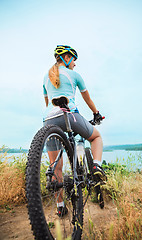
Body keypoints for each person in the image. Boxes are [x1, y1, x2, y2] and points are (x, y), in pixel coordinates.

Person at [43, 45, 105, 216]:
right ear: (67, 58)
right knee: (96, 137)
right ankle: (97, 166)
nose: (75, 64)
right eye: (74, 60)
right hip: (70, 116)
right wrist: (96, 114)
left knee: (56, 167)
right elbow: (88, 99)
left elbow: (47, 102)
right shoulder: (75, 75)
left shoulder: (46, 77)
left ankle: (61, 207)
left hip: (48, 121)